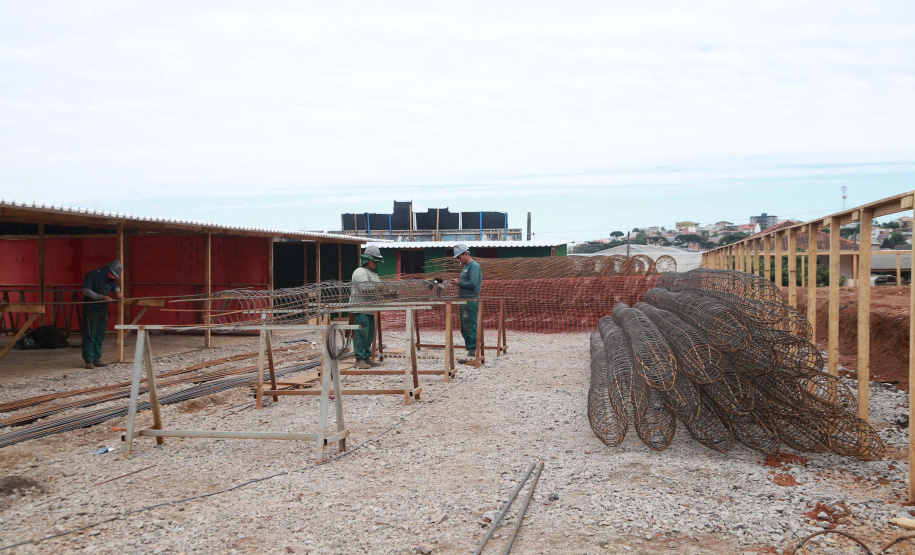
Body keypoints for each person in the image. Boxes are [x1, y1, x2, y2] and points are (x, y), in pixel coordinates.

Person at [81, 260, 122, 369]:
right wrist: (101, 297)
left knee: (100, 335)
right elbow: (86, 291)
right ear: (107, 270)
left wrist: (118, 292)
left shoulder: (110, 279)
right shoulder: (92, 275)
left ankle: (97, 359)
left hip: (103, 310)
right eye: (111, 274)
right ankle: (89, 360)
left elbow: (114, 286)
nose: (112, 277)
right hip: (91, 310)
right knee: (90, 334)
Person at [350, 245, 384, 369]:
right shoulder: (360, 272)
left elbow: (379, 287)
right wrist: (380, 289)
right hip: (360, 308)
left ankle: (366, 357)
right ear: (367, 259)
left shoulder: (373, 273)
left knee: (369, 334)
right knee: (361, 333)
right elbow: (365, 288)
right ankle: (359, 359)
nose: (376, 263)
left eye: (377, 261)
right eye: (374, 261)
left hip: (370, 309)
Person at [449, 244, 481, 362]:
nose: (459, 260)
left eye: (459, 257)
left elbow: (473, 283)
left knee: (470, 324)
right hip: (464, 299)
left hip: (471, 299)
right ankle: (470, 347)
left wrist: (458, 283)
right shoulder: (466, 266)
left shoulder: (474, 266)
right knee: (464, 324)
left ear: (466, 254)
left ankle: (473, 348)